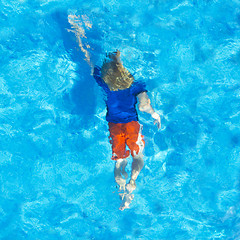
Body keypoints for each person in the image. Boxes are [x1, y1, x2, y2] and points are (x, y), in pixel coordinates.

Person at [68, 16, 161, 210]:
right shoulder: (136, 84)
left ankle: (121, 187)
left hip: (114, 125)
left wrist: (78, 36)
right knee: (138, 157)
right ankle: (132, 182)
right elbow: (143, 106)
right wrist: (154, 114)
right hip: (132, 125)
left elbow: (89, 63)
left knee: (119, 162)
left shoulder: (104, 82)